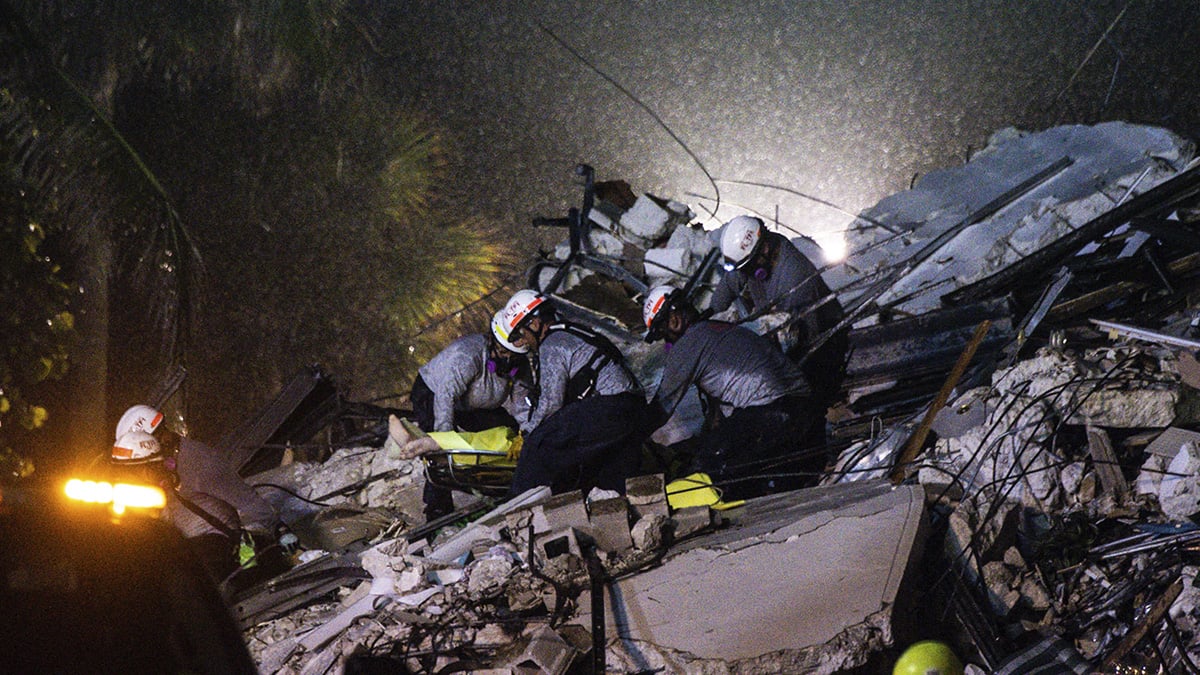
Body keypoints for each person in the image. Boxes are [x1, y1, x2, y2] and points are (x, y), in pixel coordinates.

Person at [642, 285, 827, 499]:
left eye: (663, 335)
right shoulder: (721, 329)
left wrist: (628, 438)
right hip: (804, 405)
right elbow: (719, 413)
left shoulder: (687, 347)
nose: (666, 343)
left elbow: (660, 410)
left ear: (672, 321)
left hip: (772, 412)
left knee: (712, 464)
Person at [493, 289, 650, 496]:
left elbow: (551, 404)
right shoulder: (573, 331)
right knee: (603, 475)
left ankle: (518, 507)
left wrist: (527, 434)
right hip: (633, 407)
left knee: (539, 444)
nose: (522, 343)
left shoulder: (552, 345)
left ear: (534, 324)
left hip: (611, 407)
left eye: (521, 334)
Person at [114, 405, 296, 568]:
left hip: (218, 543)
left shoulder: (198, 461)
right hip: (187, 544)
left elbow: (243, 497)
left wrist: (277, 527)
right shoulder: (159, 469)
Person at [709, 215, 848, 411]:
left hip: (820, 339)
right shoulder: (757, 255)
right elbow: (733, 279)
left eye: (748, 267)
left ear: (764, 250)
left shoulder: (795, 277)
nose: (745, 273)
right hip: (781, 324)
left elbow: (800, 338)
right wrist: (710, 313)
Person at [408, 319, 532, 519]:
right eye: (503, 354)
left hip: (472, 404)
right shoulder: (467, 355)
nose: (507, 361)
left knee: (508, 431)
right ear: (492, 344)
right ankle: (437, 509)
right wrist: (443, 439)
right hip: (433, 392)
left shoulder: (519, 366)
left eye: (513, 357)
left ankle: (503, 487)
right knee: (438, 455)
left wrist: (527, 433)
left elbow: (521, 406)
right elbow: (445, 396)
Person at [111, 429, 244, 584]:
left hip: (215, 551)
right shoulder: (136, 499)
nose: (124, 477)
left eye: (128, 471)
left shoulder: (181, 484)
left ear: (146, 468)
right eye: (121, 471)